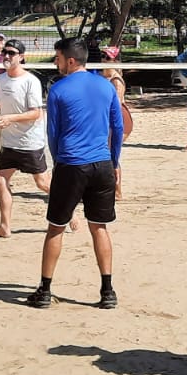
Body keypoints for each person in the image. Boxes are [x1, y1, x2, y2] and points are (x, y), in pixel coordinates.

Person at [26, 37, 123, 310]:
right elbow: (117, 128)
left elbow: (53, 134)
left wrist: (59, 163)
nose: (55, 63)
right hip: (102, 164)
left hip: (71, 164)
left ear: (70, 60)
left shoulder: (58, 89)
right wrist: (115, 163)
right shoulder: (106, 86)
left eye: (57, 58)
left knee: (56, 228)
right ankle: (107, 291)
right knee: (99, 227)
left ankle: (44, 290)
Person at [0, 38, 52, 237]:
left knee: (43, 183)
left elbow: (36, 113)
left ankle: (68, 214)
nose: (7, 56)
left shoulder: (30, 81)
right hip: (9, 141)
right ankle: (5, 226)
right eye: (5, 52)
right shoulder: (0, 80)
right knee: (0, 180)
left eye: (12, 53)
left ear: (21, 57)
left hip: (30, 142)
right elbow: (1, 106)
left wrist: (10, 118)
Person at [100, 45, 134, 198]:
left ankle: (117, 190)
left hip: (119, 118)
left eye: (107, 58)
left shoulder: (116, 81)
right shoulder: (102, 76)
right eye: (103, 56)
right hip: (107, 119)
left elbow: (116, 106)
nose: (103, 60)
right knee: (104, 153)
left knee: (111, 153)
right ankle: (108, 188)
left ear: (115, 61)